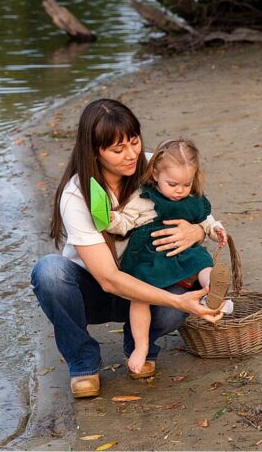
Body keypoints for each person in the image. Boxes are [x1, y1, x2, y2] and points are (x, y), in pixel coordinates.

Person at [30, 99, 223, 399]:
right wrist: (181, 302)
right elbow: (108, 279)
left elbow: (191, 199)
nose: (131, 154)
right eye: (118, 150)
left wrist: (198, 230)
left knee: (173, 305)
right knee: (49, 272)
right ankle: (82, 362)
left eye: (134, 142)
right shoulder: (77, 195)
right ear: (95, 151)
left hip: (145, 278)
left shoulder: (152, 165)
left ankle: (140, 346)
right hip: (93, 289)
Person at [110, 138, 233, 375]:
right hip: (149, 256)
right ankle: (141, 345)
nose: (180, 190)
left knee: (203, 264)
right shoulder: (143, 197)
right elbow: (126, 221)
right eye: (173, 183)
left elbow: (205, 220)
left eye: (186, 184)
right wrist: (113, 220)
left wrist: (215, 229)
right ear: (155, 174)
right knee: (140, 297)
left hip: (183, 252)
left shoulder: (194, 198)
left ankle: (213, 294)